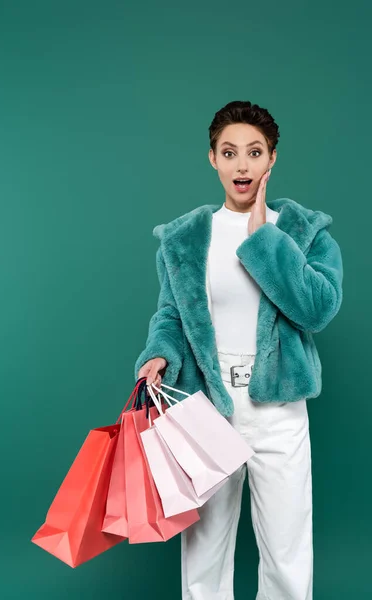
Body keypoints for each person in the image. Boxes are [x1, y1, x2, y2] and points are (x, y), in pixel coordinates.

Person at [134, 100, 343, 600]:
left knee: (287, 550)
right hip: (205, 404)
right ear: (212, 159)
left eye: (254, 152)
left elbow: (317, 309)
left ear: (272, 158)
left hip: (279, 407)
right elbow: (171, 313)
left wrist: (265, 241)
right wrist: (158, 352)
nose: (242, 165)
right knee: (203, 551)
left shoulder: (303, 232)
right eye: (230, 153)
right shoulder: (183, 238)